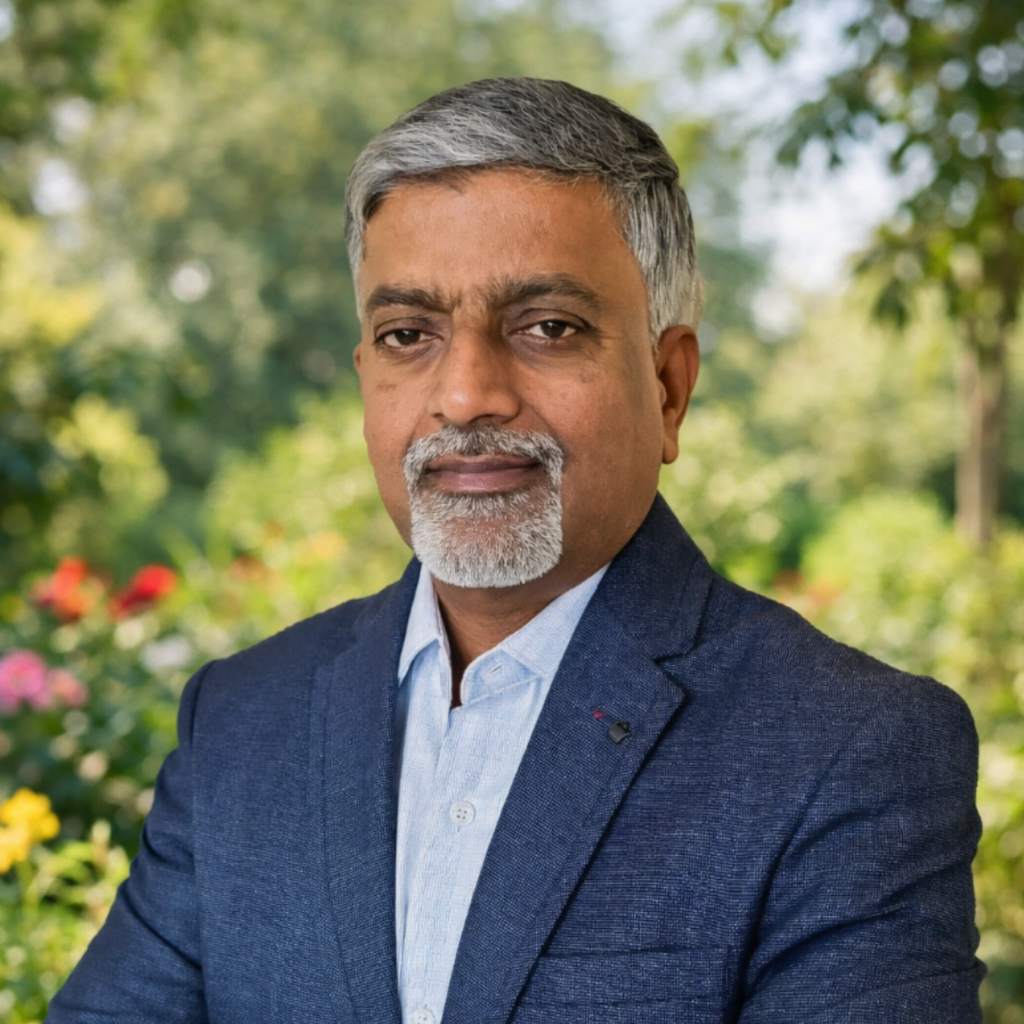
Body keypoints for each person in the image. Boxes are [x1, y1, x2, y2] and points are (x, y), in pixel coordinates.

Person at [47, 77, 983, 1024]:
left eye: (547, 327)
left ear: (668, 387)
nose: (465, 396)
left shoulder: (849, 750)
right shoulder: (243, 722)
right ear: (366, 374)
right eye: (409, 334)